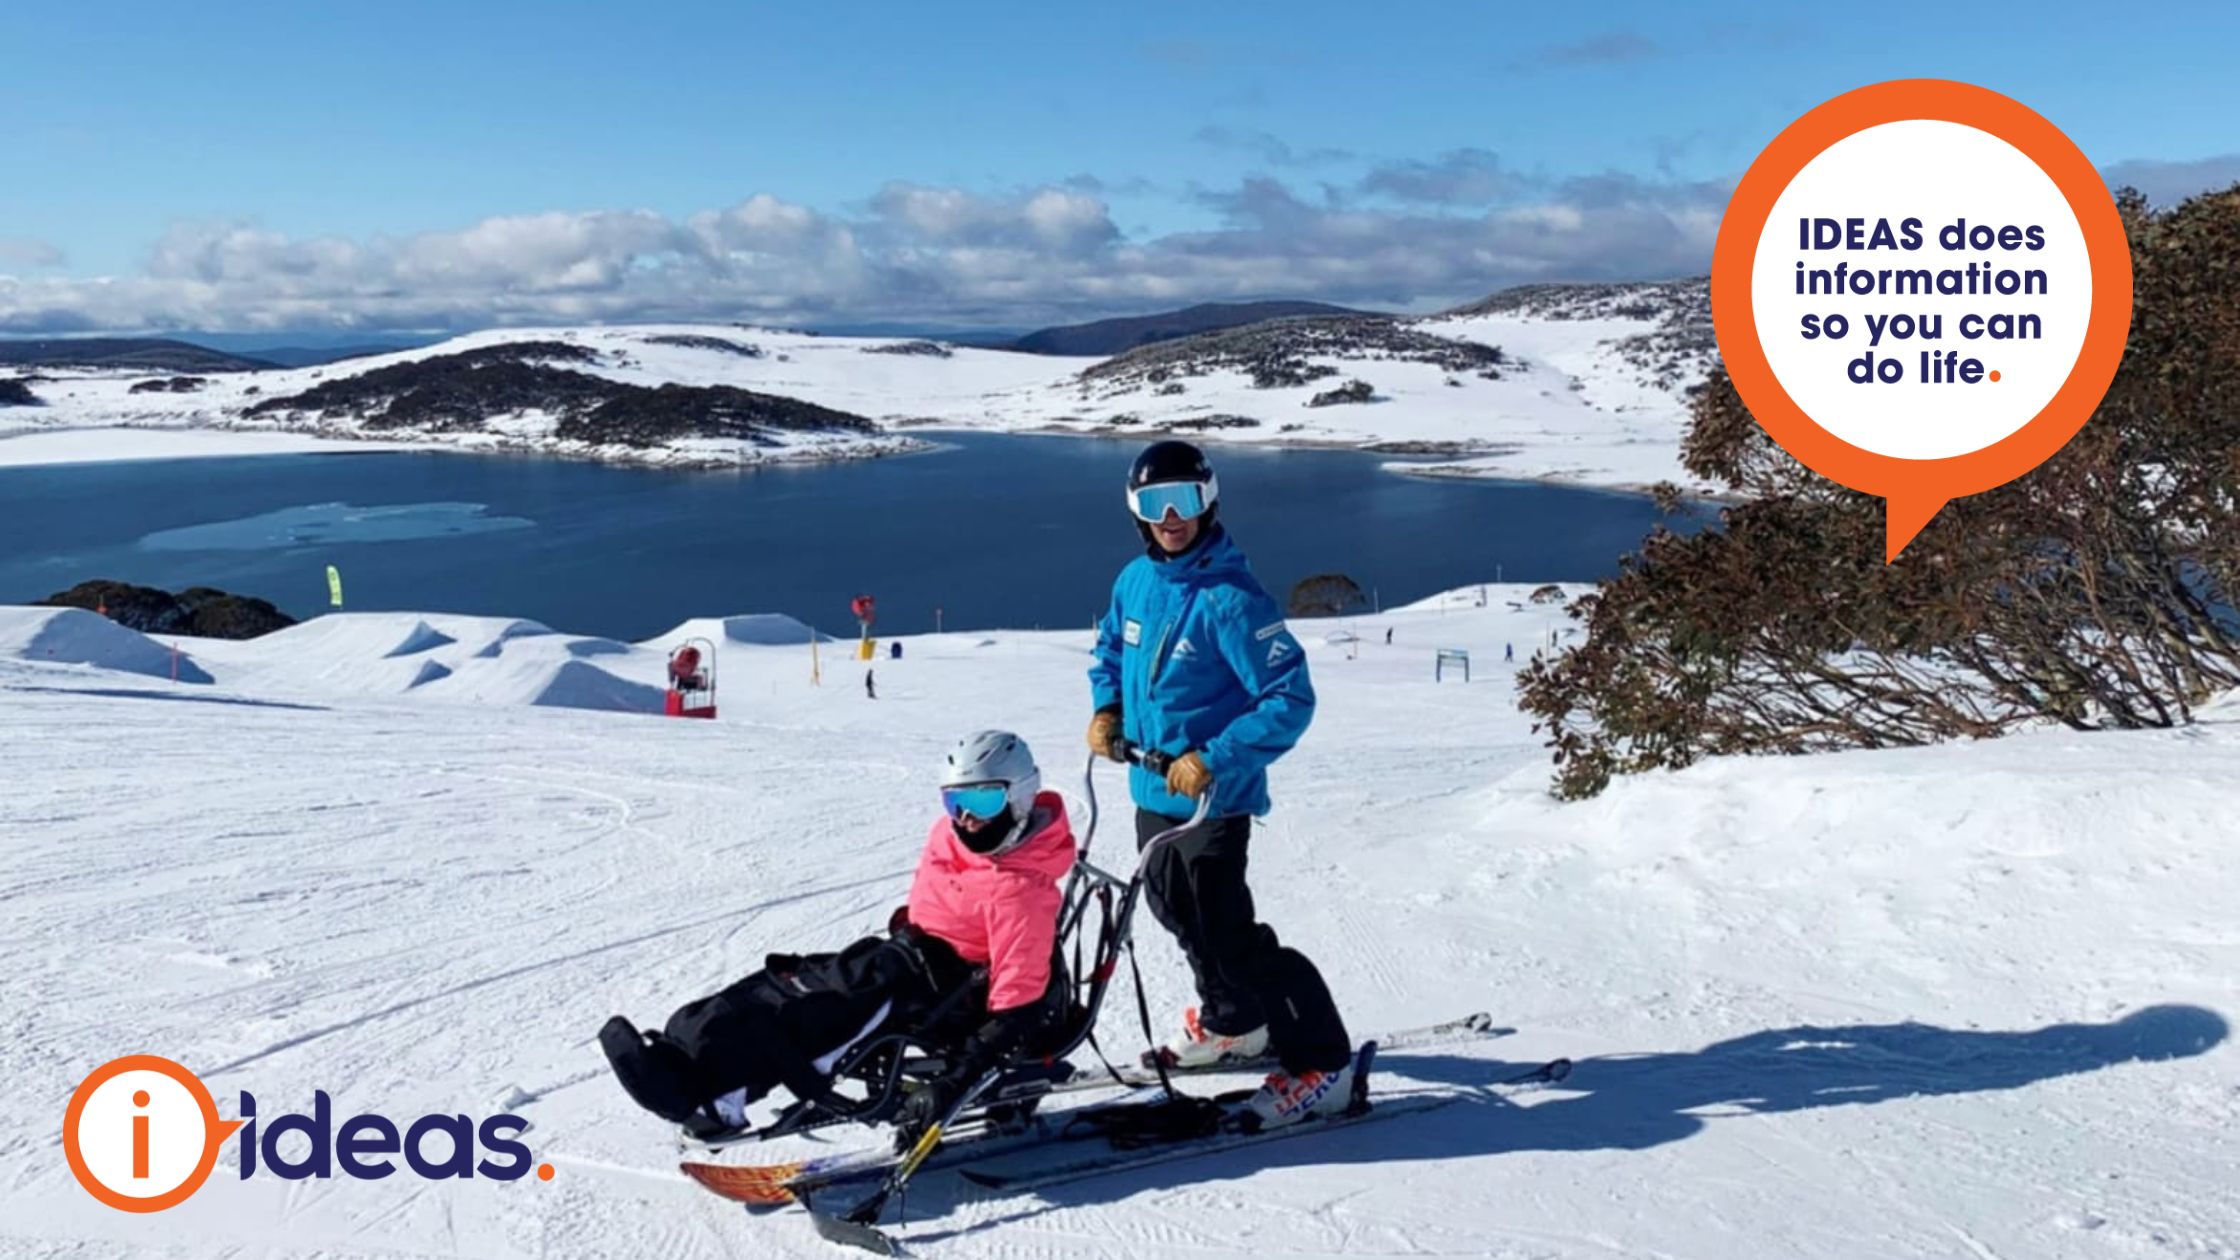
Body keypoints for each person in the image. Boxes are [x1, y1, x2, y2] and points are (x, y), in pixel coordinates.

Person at [600, 731, 1075, 1147]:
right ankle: (683, 1053)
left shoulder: (1022, 893)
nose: (966, 819)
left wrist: (954, 1082)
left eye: (984, 803)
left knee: (824, 1015)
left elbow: (1018, 1005)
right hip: (907, 956)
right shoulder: (951, 836)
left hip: (950, 997)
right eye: (955, 802)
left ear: (1019, 797)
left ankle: (720, 1098)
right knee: (793, 981)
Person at [1086, 439, 1354, 1130]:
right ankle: (1235, 1023)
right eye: (1154, 503)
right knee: (1174, 910)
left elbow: (1289, 697)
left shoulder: (1234, 600)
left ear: (1210, 502)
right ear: (1135, 511)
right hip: (1153, 792)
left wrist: (1215, 756)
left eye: (1186, 500)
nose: (1171, 516)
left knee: (1229, 932)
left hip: (1213, 796)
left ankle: (1321, 1063)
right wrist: (1107, 708)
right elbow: (1111, 649)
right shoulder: (1134, 581)